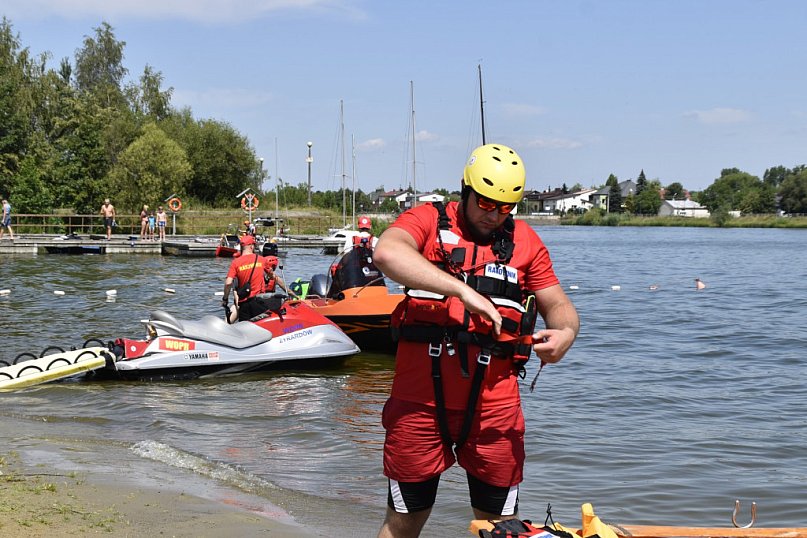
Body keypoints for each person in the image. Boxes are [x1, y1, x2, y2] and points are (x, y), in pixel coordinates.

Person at [372, 143, 579, 538]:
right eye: (486, 203)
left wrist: (566, 333)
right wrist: (462, 291)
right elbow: (387, 252)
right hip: (419, 404)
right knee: (403, 522)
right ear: (465, 189)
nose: (494, 214)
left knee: (500, 528)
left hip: (495, 409)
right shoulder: (427, 220)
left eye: (506, 207)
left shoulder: (526, 242)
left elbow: (560, 305)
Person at [221, 235, 297, 322]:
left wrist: (225, 299)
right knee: (261, 328)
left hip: (244, 305)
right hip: (259, 301)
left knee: (245, 330)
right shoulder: (261, 260)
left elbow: (228, 283)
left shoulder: (235, 263)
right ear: (251, 246)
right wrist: (290, 293)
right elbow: (274, 278)